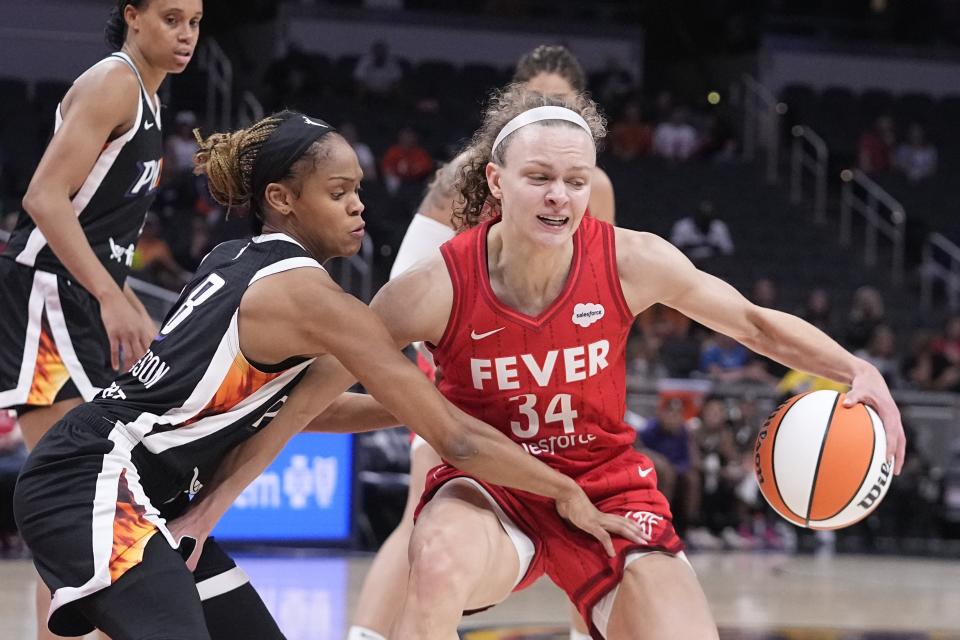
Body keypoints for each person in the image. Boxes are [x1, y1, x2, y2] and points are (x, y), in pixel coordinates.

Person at [13, 110, 639, 640]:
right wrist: (563, 489)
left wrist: (430, 402)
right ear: (281, 200)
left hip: (142, 490)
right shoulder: (309, 298)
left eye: (359, 190)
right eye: (338, 193)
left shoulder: (233, 259)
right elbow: (457, 442)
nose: (358, 206)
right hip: (95, 480)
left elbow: (301, 407)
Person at [373, 86, 905, 639]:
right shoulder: (434, 288)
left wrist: (857, 371)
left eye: (576, 182)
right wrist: (418, 412)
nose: (560, 196)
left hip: (605, 487)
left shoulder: (630, 260)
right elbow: (327, 383)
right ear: (496, 181)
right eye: (539, 178)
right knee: (436, 562)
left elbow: (752, 323)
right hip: (490, 485)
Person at [352, 43, 616, 640]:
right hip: (466, 374)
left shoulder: (590, 183)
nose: (550, 112)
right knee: (422, 508)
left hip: (557, 379)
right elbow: (406, 285)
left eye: (564, 104)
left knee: (586, 512)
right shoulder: (470, 172)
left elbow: (603, 292)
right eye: (538, 100)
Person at [0, 2, 201, 638]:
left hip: (80, 295)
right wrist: (111, 295)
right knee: (76, 489)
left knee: (76, 497)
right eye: (171, 17)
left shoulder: (147, 95)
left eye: (195, 20)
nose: (187, 34)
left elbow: (98, 221)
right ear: (132, 16)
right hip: (45, 293)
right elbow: (42, 198)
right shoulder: (114, 82)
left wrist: (124, 297)